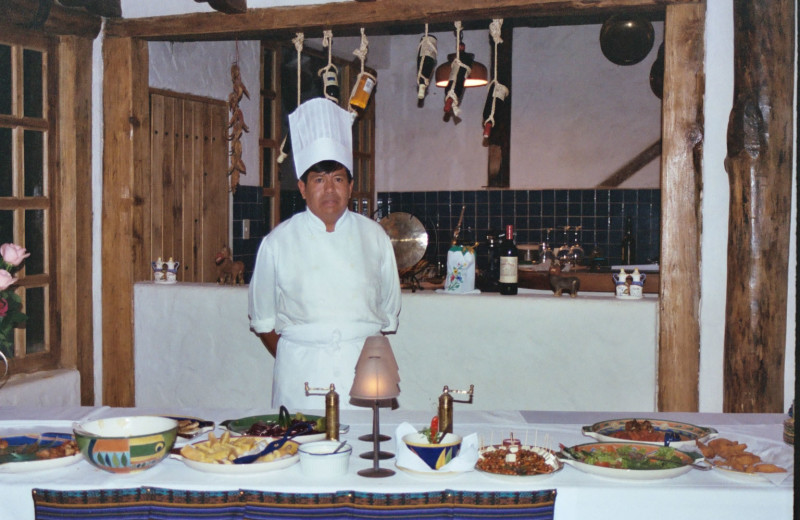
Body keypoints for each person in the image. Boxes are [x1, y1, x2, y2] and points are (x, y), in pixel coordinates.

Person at [248, 97, 401, 410]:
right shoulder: (277, 243)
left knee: (365, 454)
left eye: (338, 179)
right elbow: (263, 322)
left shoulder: (375, 237)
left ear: (350, 186)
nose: (329, 190)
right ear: (303, 188)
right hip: (299, 379)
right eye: (318, 180)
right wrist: (302, 355)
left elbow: (388, 313)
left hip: (366, 376)